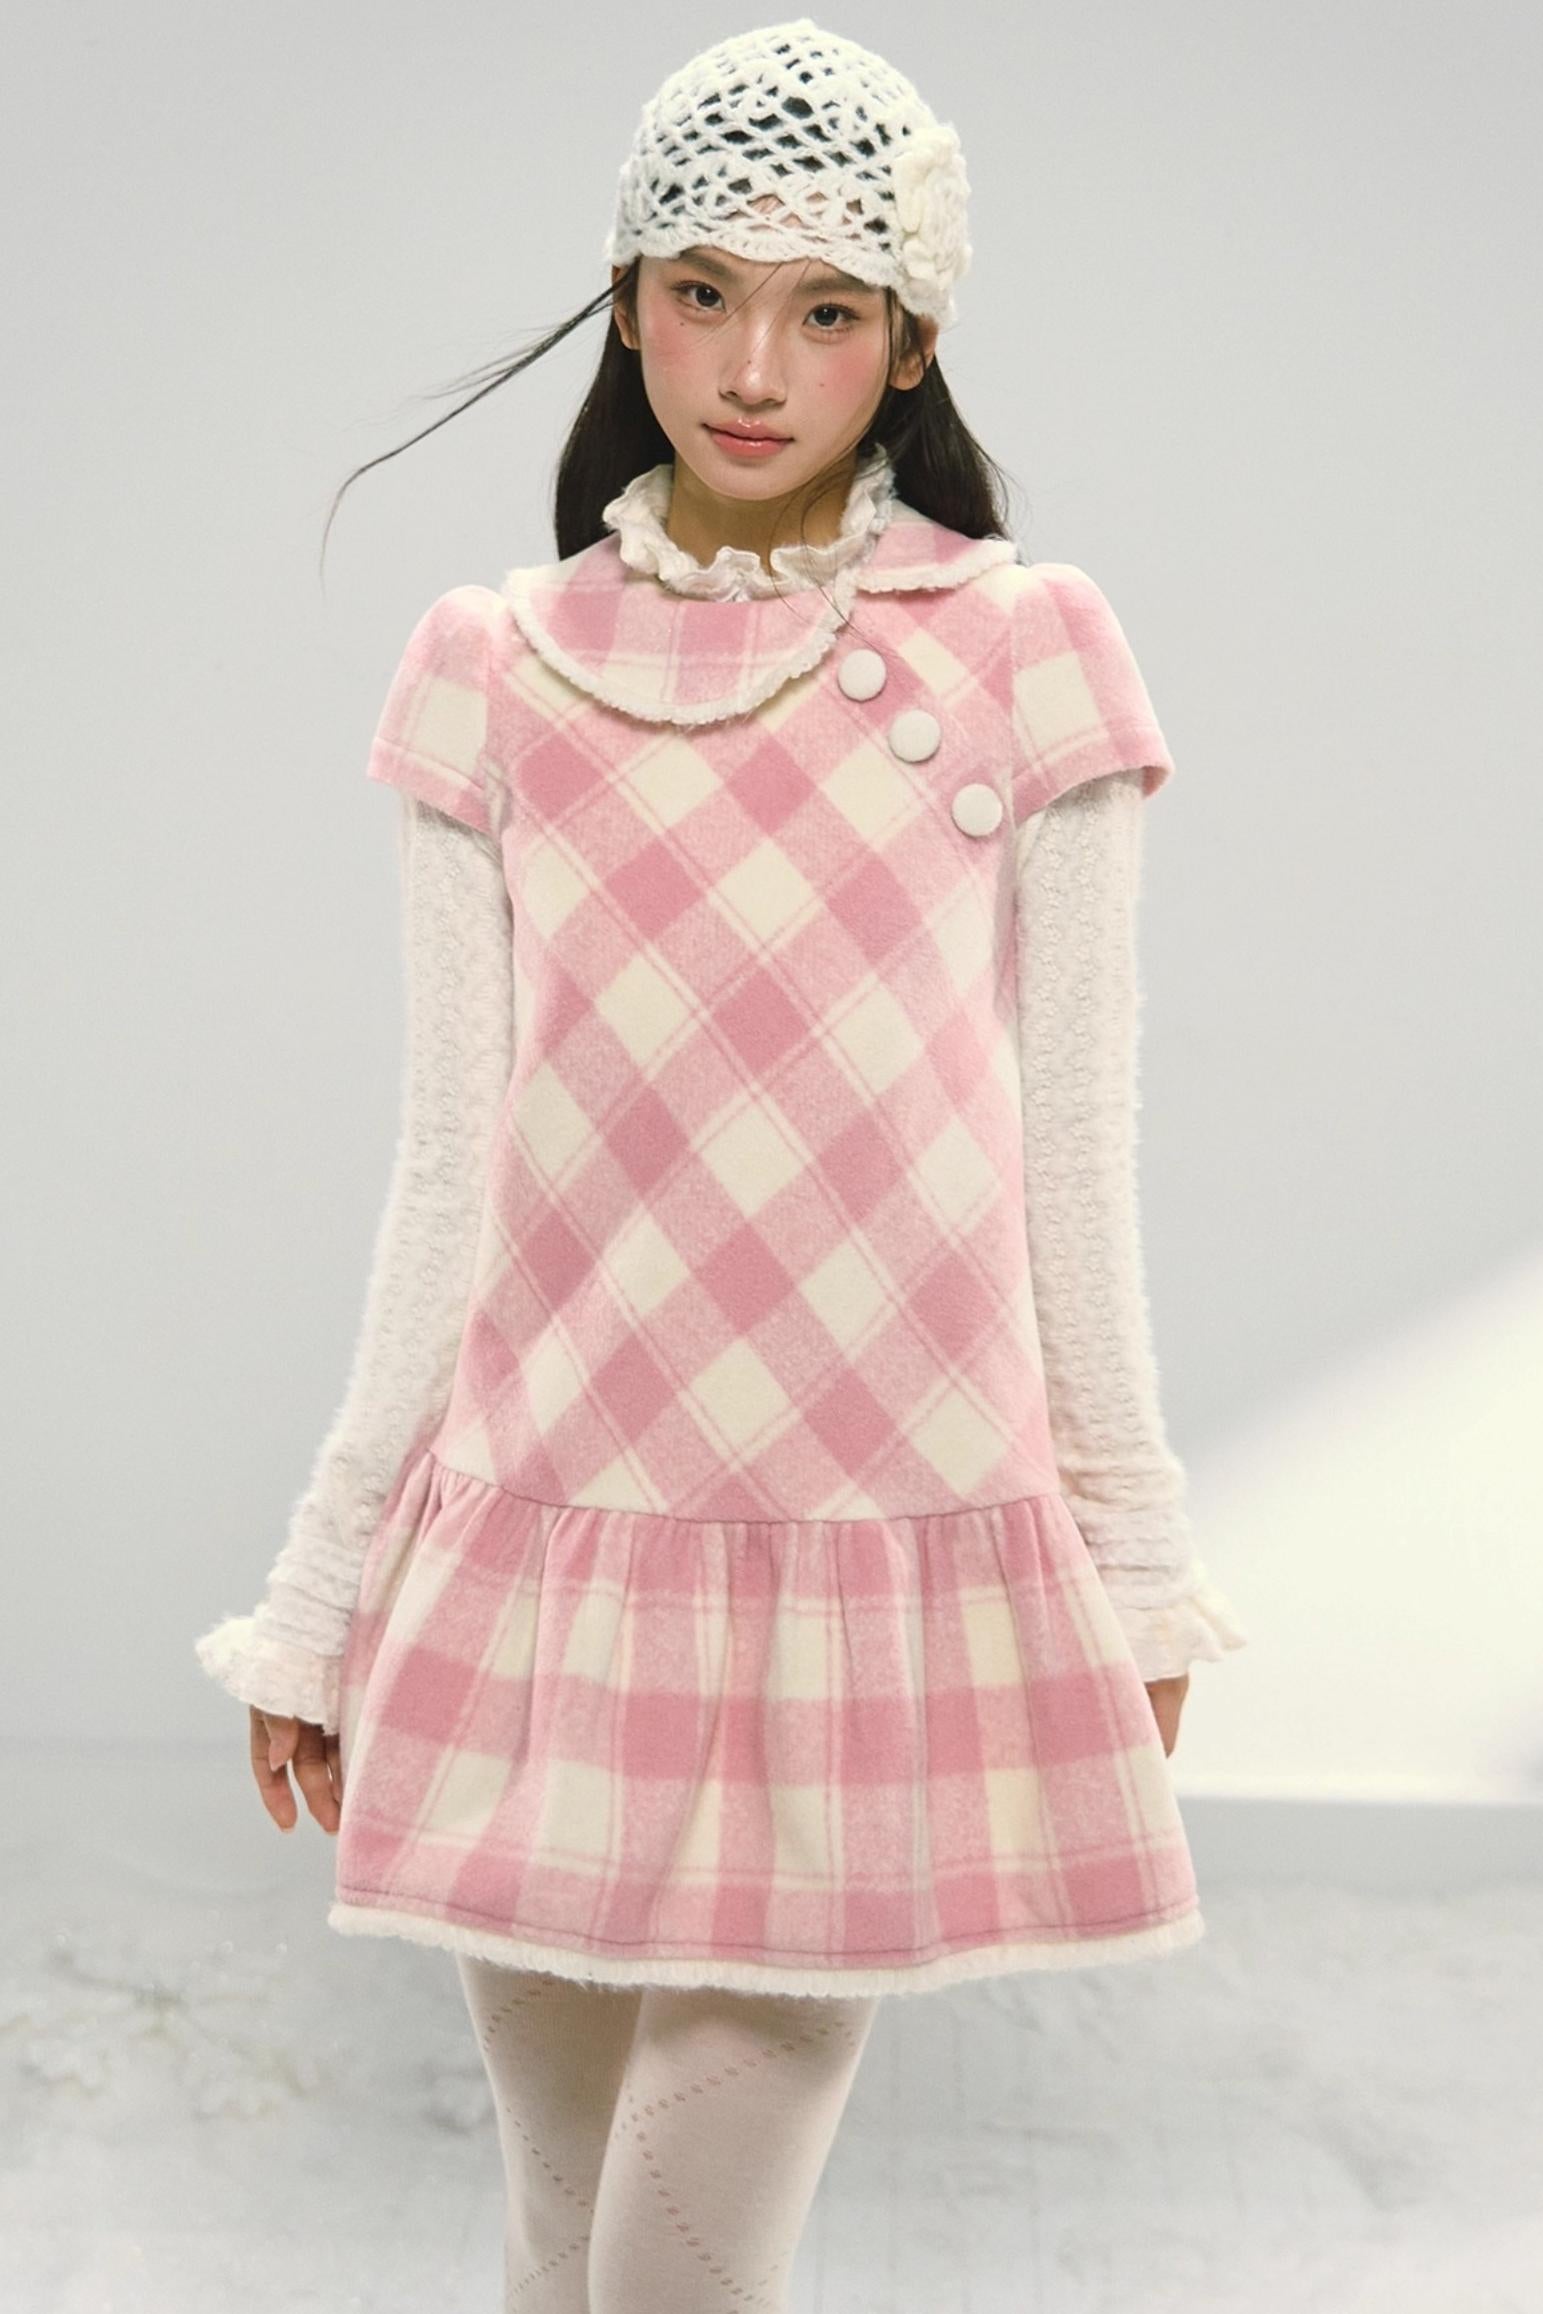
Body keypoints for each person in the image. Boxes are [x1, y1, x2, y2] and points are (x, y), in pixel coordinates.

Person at [194, 16, 1249, 2307]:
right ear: (626, 299)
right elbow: (449, 1163)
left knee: (677, 2269)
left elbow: (1073, 1140)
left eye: (826, 308)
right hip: (546, 1544)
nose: (753, 366)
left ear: (911, 340)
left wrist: (1136, 1550)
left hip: (869, 1549)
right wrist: (322, 1577)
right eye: (701, 292)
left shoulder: (1023, 647)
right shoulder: (497, 663)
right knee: (560, 2246)